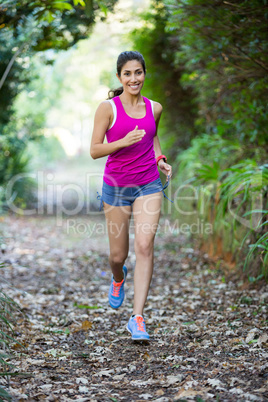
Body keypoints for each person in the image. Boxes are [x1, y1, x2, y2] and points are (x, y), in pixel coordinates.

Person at [90, 51, 172, 341]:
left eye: (138, 72)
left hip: (148, 184)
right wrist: (122, 142)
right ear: (119, 77)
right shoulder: (108, 108)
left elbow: (152, 137)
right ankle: (117, 277)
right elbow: (94, 150)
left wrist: (160, 159)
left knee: (145, 246)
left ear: (144, 74)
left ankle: (137, 318)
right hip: (116, 187)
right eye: (128, 73)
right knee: (117, 255)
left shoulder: (155, 108)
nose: (134, 78)